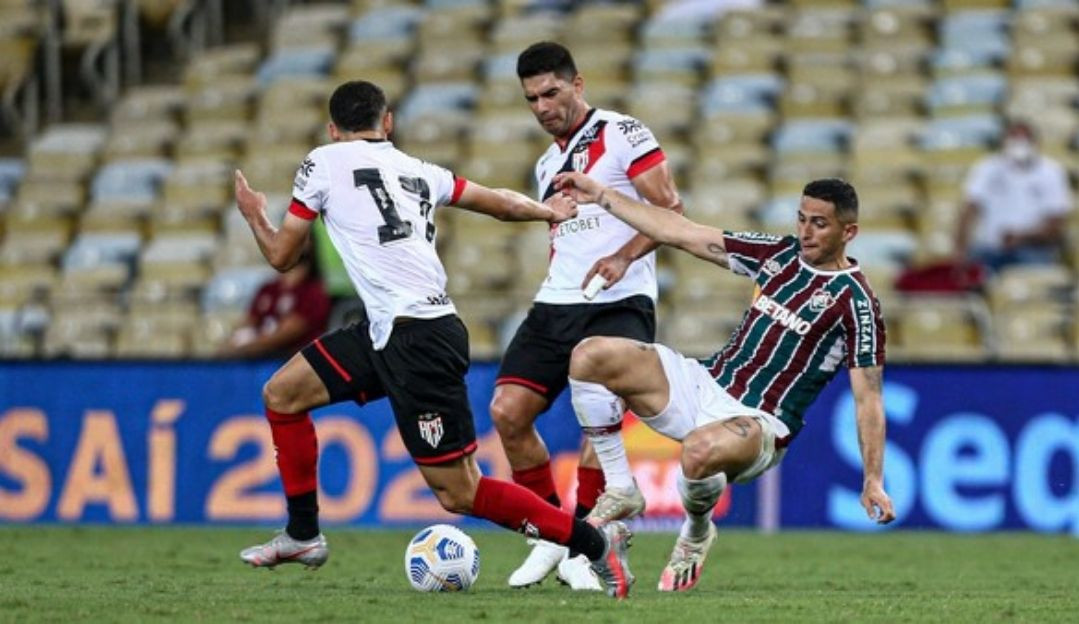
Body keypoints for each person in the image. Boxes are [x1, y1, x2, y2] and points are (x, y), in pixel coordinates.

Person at [234, 80, 634, 599]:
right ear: (388, 123)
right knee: (283, 395)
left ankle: (594, 543)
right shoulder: (420, 170)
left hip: (417, 336)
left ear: (332, 130)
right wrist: (547, 211)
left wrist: (254, 215)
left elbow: (283, 256)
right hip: (391, 328)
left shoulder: (321, 162)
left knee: (460, 492)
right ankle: (303, 534)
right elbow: (497, 202)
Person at [552, 172, 896, 592]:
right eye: (802, 218)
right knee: (589, 356)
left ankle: (696, 532)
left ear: (849, 232)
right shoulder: (778, 255)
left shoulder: (857, 303)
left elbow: (868, 398)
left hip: (760, 422)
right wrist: (602, 194)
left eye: (819, 224)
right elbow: (680, 231)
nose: (806, 231)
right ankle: (622, 487)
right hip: (704, 381)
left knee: (698, 451)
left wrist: (873, 479)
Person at [493, 41, 682, 590]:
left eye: (551, 92)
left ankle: (584, 541)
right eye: (532, 98)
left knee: (599, 414)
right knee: (507, 412)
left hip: (620, 299)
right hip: (558, 302)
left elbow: (670, 210)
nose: (542, 106)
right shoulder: (546, 163)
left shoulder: (624, 134)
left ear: (578, 85)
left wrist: (623, 257)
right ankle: (552, 535)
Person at [955, 119, 1073, 272]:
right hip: (990, 249)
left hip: (1033, 250)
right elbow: (969, 210)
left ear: (1035, 143)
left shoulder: (1052, 172)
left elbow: (1056, 224)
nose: (1019, 145)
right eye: (1014, 139)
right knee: (975, 268)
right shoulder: (987, 168)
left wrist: (1022, 237)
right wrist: (960, 251)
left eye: (1024, 140)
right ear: (1004, 141)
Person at [220, 251, 331, 359]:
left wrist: (246, 348)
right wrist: (232, 342)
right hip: (258, 354)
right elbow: (250, 320)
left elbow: (287, 333)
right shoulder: (268, 288)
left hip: (292, 357)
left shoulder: (312, 292)